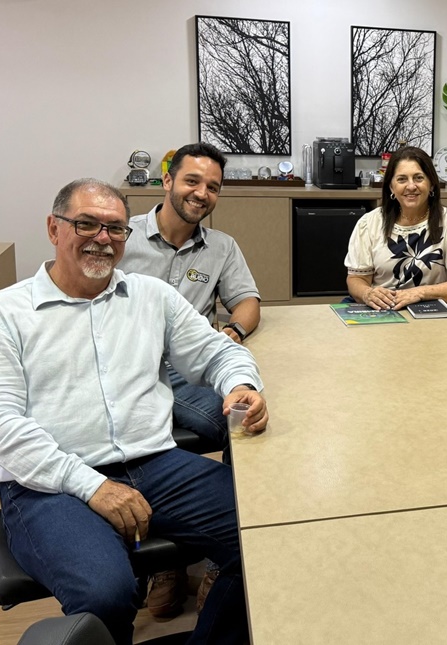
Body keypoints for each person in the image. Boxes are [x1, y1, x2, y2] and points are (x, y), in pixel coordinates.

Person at [0, 178, 269, 643]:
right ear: (53, 228)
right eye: (86, 224)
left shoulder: (151, 296)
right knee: (105, 593)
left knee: (268, 534)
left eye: (115, 228)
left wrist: (240, 385)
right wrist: (93, 486)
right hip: (49, 485)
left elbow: (217, 352)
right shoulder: (1, 313)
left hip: (155, 463)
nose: (103, 238)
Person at [116, 142, 260, 616]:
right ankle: (167, 563)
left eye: (212, 187)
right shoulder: (123, 238)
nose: (202, 193)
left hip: (188, 364)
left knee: (240, 422)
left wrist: (233, 331)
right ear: (167, 181)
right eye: (192, 181)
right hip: (134, 365)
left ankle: (223, 556)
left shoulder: (221, 247)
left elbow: (248, 302)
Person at [345, 145, 447, 310]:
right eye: (402, 179)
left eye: (418, 178)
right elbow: (356, 279)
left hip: (429, 309)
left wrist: (418, 293)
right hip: (382, 310)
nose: (411, 186)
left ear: (432, 184)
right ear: (391, 187)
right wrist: (367, 293)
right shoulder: (369, 223)